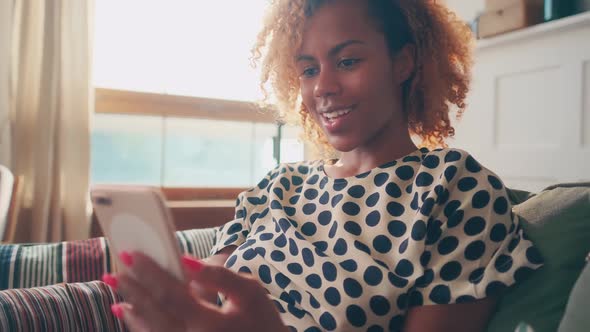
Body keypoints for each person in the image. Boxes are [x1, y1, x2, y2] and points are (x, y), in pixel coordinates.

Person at [101, 0, 544, 331]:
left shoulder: (455, 186)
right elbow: (206, 296)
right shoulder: (277, 186)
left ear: (403, 62)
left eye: (348, 61)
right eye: (309, 70)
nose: (324, 88)